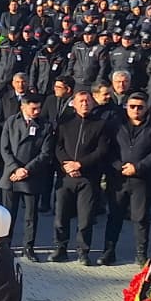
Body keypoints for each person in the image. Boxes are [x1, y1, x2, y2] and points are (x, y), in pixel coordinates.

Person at [51, 88, 112, 264]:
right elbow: (57, 146)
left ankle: (83, 251)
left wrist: (80, 164)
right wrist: (67, 165)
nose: (84, 104)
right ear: (74, 104)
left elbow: (102, 150)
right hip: (66, 177)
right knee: (61, 216)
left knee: (85, 219)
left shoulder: (101, 124)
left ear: (92, 103)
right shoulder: (65, 122)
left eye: (87, 101)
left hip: (88, 178)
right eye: (81, 101)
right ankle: (60, 248)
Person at [0, 93, 53, 260]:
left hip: (32, 175)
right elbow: (4, 149)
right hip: (11, 175)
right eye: (33, 108)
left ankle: (28, 247)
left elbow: (45, 153)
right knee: (8, 214)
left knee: (31, 216)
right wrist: (16, 169)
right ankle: (5, 245)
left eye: (39, 108)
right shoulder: (11, 122)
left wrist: (26, 170)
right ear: (23, 106)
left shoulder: (45, 126)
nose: (37, 111)